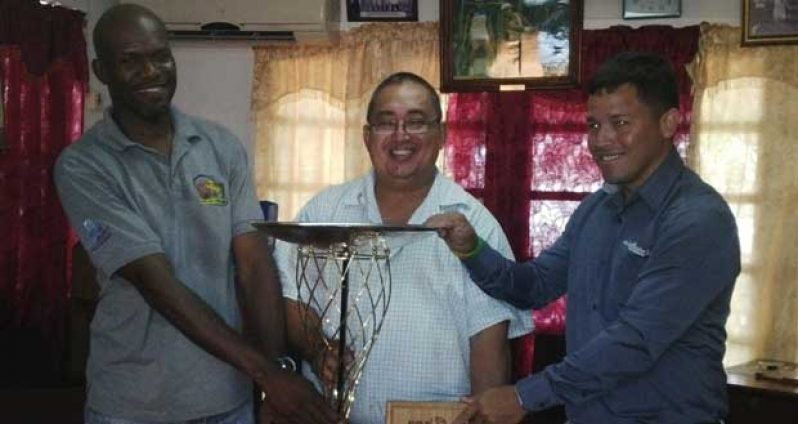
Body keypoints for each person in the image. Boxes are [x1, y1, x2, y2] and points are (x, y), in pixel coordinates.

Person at [54, 4, 336, 424]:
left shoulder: (220, 148)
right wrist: (266, 373)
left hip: (227, 400)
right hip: (132, 405)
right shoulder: (84, 165)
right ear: (101, 69)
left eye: (160, 56)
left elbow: (254, 265)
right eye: (130, 61)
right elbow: (157, 284)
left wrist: (278, 371)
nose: (151, 71)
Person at [427, 52, 741, 423]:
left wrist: (524, 397)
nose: (602, 140)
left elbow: (635, 341)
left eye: (620, 123)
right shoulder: (597, 209)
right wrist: (471, 249)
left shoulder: (698, 220)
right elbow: (534, 286)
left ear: (669, 123)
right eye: (593, 125)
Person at [273, 72, 531, 423]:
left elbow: (490, 343)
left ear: (441, 136)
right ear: (367, 137)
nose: (400, 136)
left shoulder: (475, 224)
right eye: (385, 123)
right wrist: (319, 350)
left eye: (416, 122)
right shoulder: (323, 211)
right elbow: (293, 300)